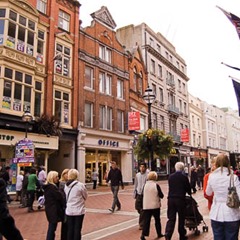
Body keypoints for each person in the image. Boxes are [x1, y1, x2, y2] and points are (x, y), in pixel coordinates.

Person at [206, 154, 240, 239]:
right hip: (232, 214)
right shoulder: (233, 177)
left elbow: (208, 192)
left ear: (216, 163)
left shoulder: (211, 176)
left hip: (216, 213)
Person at [165, 162, 191, 240]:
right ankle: (182, 235)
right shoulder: (184, 177)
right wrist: (189, 192)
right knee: (181, 218)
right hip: (180, 199)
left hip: (171, 199)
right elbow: (188, 188)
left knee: (171, 218)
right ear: (182, 168)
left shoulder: (170, 177)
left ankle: (168, 233)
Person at [64, 169, 88, 240]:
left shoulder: (66, 185)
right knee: (77, 229)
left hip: (69, 210)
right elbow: (85, 196)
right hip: (79, 210)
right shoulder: (80, 185)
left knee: (70, 229)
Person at [140, 171, 164, 240]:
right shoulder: (156, 185)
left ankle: (143, 235)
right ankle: (159, 233)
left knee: (146, 221)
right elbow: (161, 195)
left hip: (146, 205)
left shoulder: (145, 185)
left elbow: (142, 195)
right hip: (155, 205)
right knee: (157, 220)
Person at [43, 171, 66, 240]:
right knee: (52, 227)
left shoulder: (48, 187)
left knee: (52, 226)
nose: (58, 178)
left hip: (50, 209)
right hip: (53, 209)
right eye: (56, 177)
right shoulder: (52, 187)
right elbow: (59, 197)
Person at [134, 162, 148, 230]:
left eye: (143, 167)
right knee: (137, 207)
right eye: (140, 167)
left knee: (142, 209)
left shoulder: (148, 175)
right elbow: (136, 184)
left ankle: (141, 224)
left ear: (145, 168)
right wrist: (134, 193)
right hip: (138, 193)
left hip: (145, 194)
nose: (141, 168)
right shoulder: (137, 175)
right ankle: (144, 216)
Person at [59, 168, 69, 240]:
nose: (68, 175)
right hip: (65, 205)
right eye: (66, 174)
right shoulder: (63, 183)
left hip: (67, 205)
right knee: (65, 222)